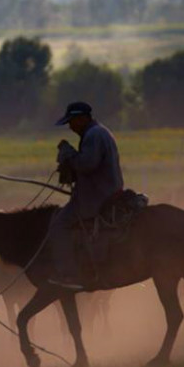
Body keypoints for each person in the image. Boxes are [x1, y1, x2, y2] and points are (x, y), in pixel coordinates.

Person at [48, 101, 124, 290]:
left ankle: (69, 275)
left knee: (59, 225)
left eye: (72, 122)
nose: (70, 127)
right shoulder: (99, 132)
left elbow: (87, 164)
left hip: (98, 196)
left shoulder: (93, 135)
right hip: (106, 190)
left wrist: (68, 153)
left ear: (82, 119)